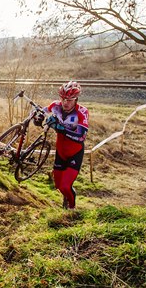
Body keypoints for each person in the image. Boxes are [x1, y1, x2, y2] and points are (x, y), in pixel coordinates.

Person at [42, 81, 89, 209]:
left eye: (69, 100)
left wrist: (60, 128)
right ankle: (66, 199)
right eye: (63, 99)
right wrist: (38, 118)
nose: (65, 102)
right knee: (57, 185)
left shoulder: (82, 112)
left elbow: (81, 137)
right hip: (60, 152)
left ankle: (72, 209)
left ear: (76, 99)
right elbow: (41, 112)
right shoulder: (55, 106)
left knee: (65, 186)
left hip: (75, 153)